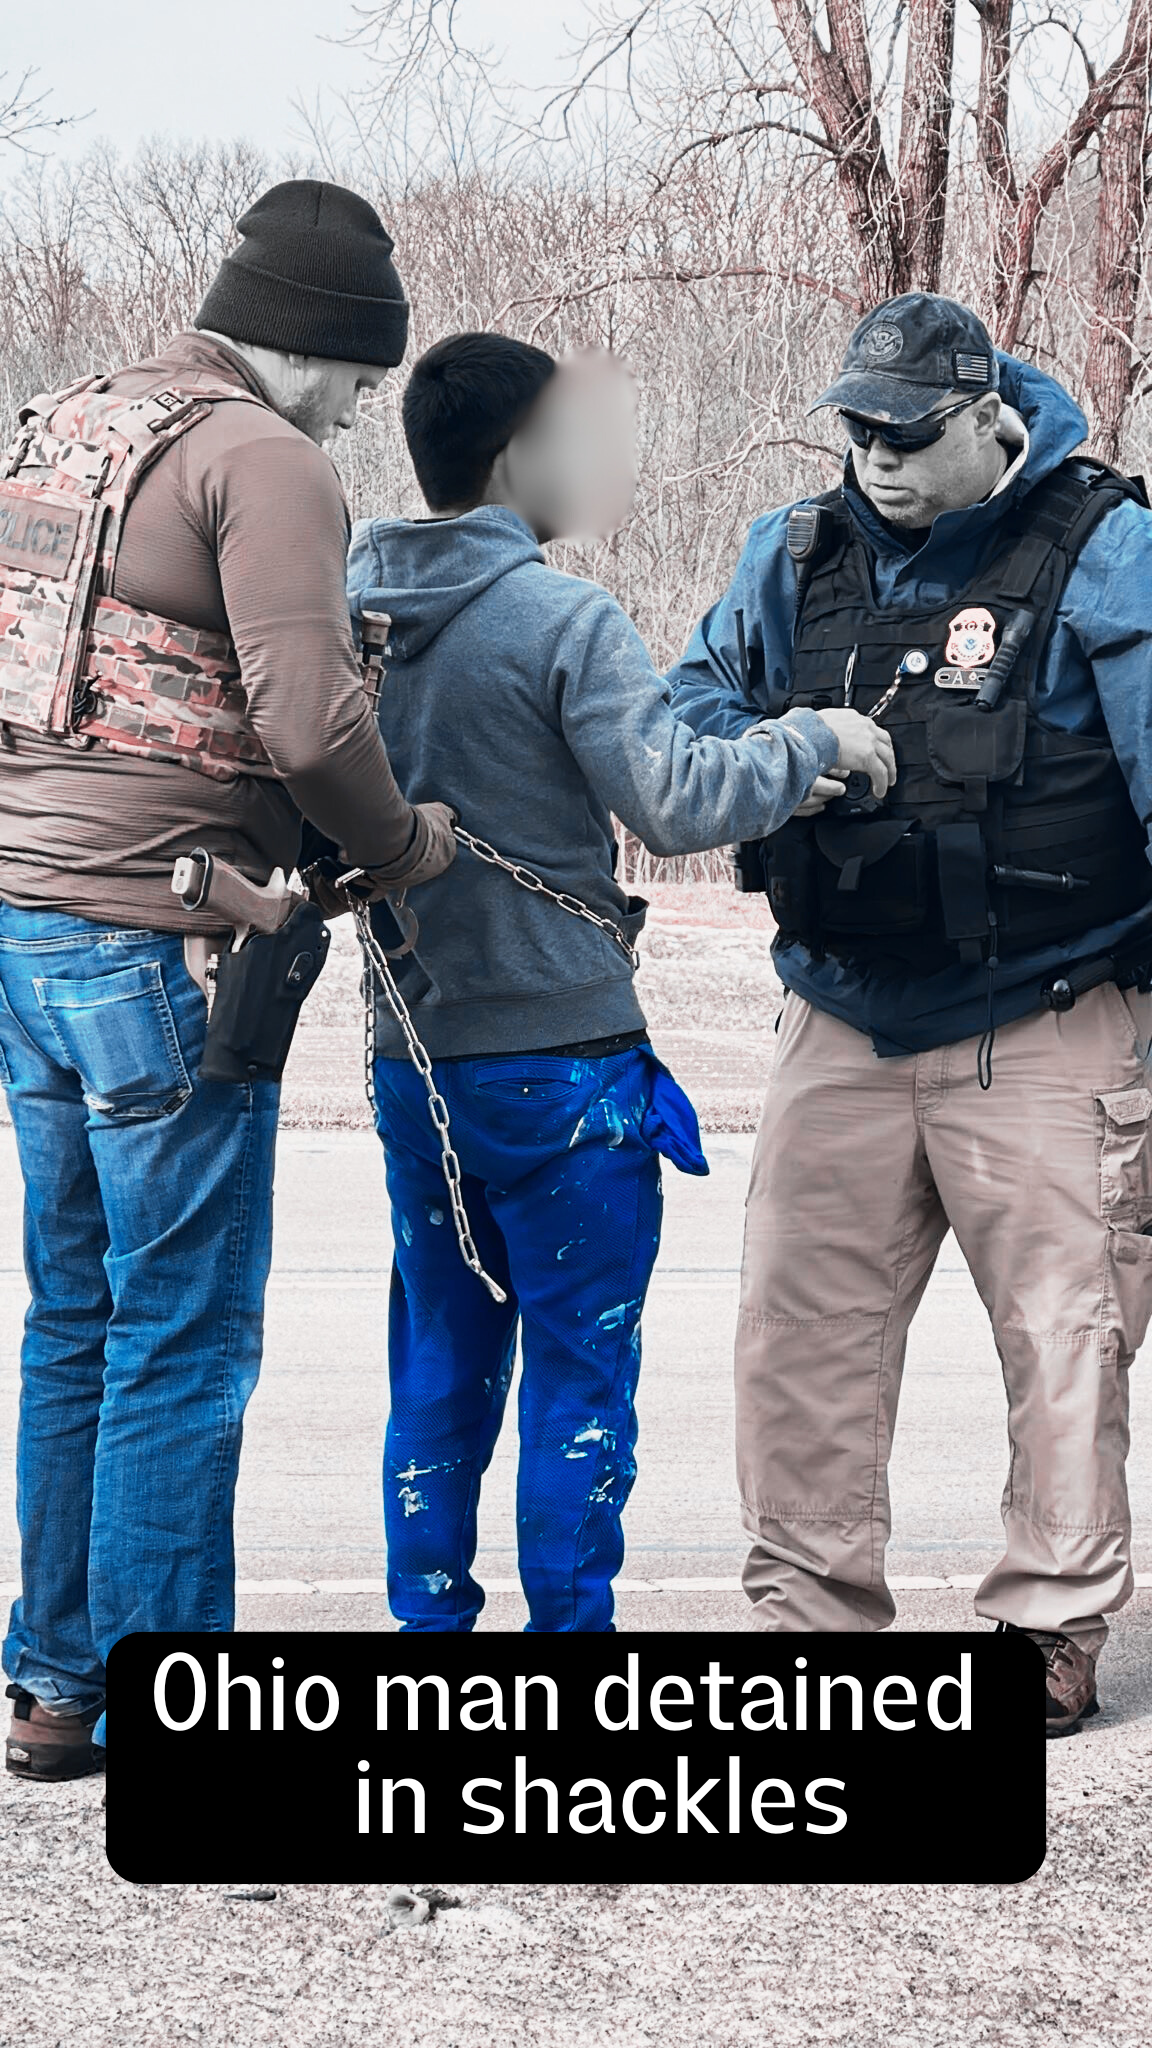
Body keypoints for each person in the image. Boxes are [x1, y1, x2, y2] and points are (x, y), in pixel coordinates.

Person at [0, 179, 456, 1781]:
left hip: (31, 924)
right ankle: (166, 1704)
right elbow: (316, 727)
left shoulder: (73, 423)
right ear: (317, 344)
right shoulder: (262, 458)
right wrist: (399, 850)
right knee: (184, 1335)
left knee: (78, 1316)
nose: (355, 412)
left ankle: (58, 1688)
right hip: (162, 942)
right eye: (358, 377)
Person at [346, 330, 894, 1633]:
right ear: (520, 454)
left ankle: (429, 1643)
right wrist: (818, 735)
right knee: (579, 1379)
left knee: (437, 1364)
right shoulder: (558, 617)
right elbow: (677, 797)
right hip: (564, 1071)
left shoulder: (345, 606)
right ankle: (569, 1661)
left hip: (410, 1059)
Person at [668, 290, 1152, 1735]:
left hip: (1049, 1009)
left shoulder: (1106, 548)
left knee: (1065, 1333)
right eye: (856, 428)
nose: (876, 457)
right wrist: (791, 753)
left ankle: (1049, 1625)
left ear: (988, 418)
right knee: (800, 1334)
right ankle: (812, 1619)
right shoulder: (795, 552)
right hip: (841, 1013)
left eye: (908, 432)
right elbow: (681, 724)